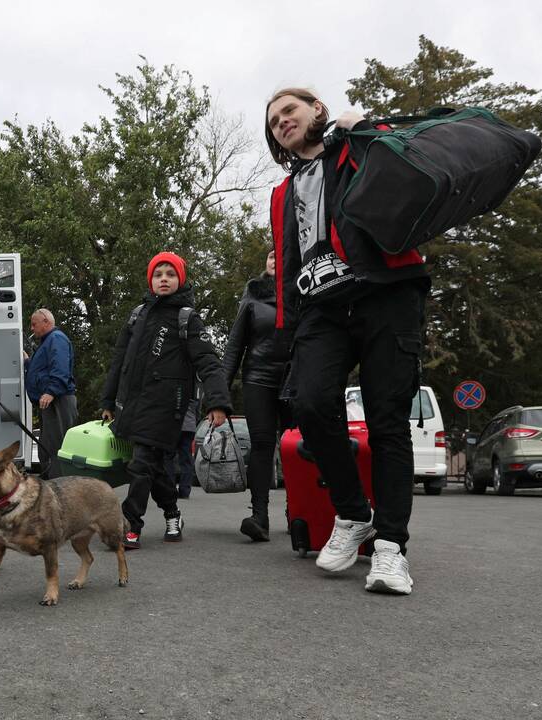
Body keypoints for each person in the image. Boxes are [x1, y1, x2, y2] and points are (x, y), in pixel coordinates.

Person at [265, 88, 429, 594]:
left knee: (387, 422)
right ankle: (354, 514)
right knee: (310, 404)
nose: (281, 123)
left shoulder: (357, 146)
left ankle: (390, 548)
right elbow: (287, 265)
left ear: (317, 109)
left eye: (288, 111)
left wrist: (363, 128)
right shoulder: (281, 193)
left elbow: (410, 172)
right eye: (273, 122)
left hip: (385, 294)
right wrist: (288, 333)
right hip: (322, 309)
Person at [99, 252, 232, 549]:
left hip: (167, 406)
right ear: (150, 280)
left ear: (180, 280)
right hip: (133, 404)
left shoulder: (187, 318)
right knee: (153, 468)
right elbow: (119, 361)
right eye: (158, 274)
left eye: (170, 274)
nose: (163, 279)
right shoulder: (138, 314)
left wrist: (218, 402)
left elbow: (209, 362)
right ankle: (173, 513)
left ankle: (129, 525)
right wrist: (108, 400)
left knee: (142, 462)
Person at [222, 250, 286, 542]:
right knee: (262, 443)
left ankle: (299, 513)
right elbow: (235, 344)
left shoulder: (303, 292)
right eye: (270, 256)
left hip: (295, 378)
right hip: (258, 377)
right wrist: (219, 394)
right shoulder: (253, 295)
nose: (274, 259)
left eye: (282, 255)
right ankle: (259, 516)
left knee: (295, 445)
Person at [24, 308, 78, 479]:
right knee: (48, 443)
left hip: (58, 400)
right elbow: (43, 368)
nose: (32, 328)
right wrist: (28, 362)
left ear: (46, 321)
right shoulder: (47, 342)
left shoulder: (56, 339)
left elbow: (60, 368)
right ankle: (50, 481)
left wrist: (50, 392)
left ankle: (60, 485)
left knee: (58, 445)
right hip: (50, 401)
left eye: (34, 324)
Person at [174, 396, 199, 499]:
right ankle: (185, 491)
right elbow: (197, 410)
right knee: (186, 460)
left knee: (169, 458)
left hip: (174, 425)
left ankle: (170, 489)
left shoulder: (176, 388)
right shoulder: (194, 391)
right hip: (189, 427)